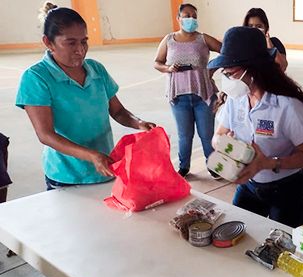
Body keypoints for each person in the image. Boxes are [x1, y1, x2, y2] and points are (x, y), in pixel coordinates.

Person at [16, 3, 155, 191]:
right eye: (71, 42)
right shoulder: (36, 78)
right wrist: (92, 156)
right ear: (48, 42)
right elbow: (46, 135)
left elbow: (118, 111)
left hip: (105, 167)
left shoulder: (96, 69)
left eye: (84, 41)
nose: (80, 49)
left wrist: (138, 123)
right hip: (66, 175)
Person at [208, 27, 303, 228]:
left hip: (286, 190)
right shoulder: (236, 99)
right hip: (249, 187)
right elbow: (218, 136)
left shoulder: (287, 106)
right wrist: (227, 146)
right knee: (238, 232)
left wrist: (268, 163)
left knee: (279, 247)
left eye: (231, 73)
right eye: (225, 73)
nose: (227, 80)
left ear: (253, 68)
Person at [154, 3, 222, 178]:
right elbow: (157, 62)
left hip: (203, 95)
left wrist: (211, 69)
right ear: (178, 18)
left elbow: (226, 51)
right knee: (185, 136)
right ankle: (184, 167)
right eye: (186, 15)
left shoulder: (203, 39)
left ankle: (213, 166)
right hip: (179, 96)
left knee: (207, 135)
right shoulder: (169, 40)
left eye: (194, 16)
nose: (190, 19)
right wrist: (168, 68)